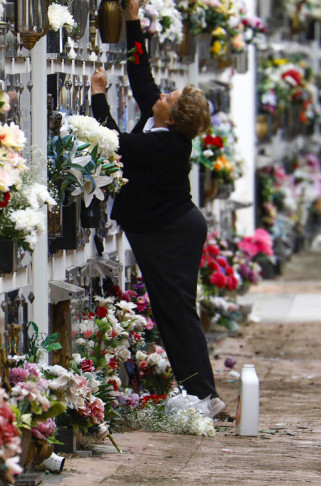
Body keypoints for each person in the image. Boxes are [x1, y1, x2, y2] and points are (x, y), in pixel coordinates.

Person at [89, 0, 222, 415]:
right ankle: (200, 393)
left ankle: (204, 395)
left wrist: (97, 97)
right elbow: (139, 72)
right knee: (171, 309)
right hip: (165, 226)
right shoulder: (159, 120)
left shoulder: (166, 144)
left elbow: (114, 141)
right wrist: (132, 19)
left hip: (170, 231)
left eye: (169, 96)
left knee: (177, 309)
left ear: (174, 114)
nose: (160, 94)